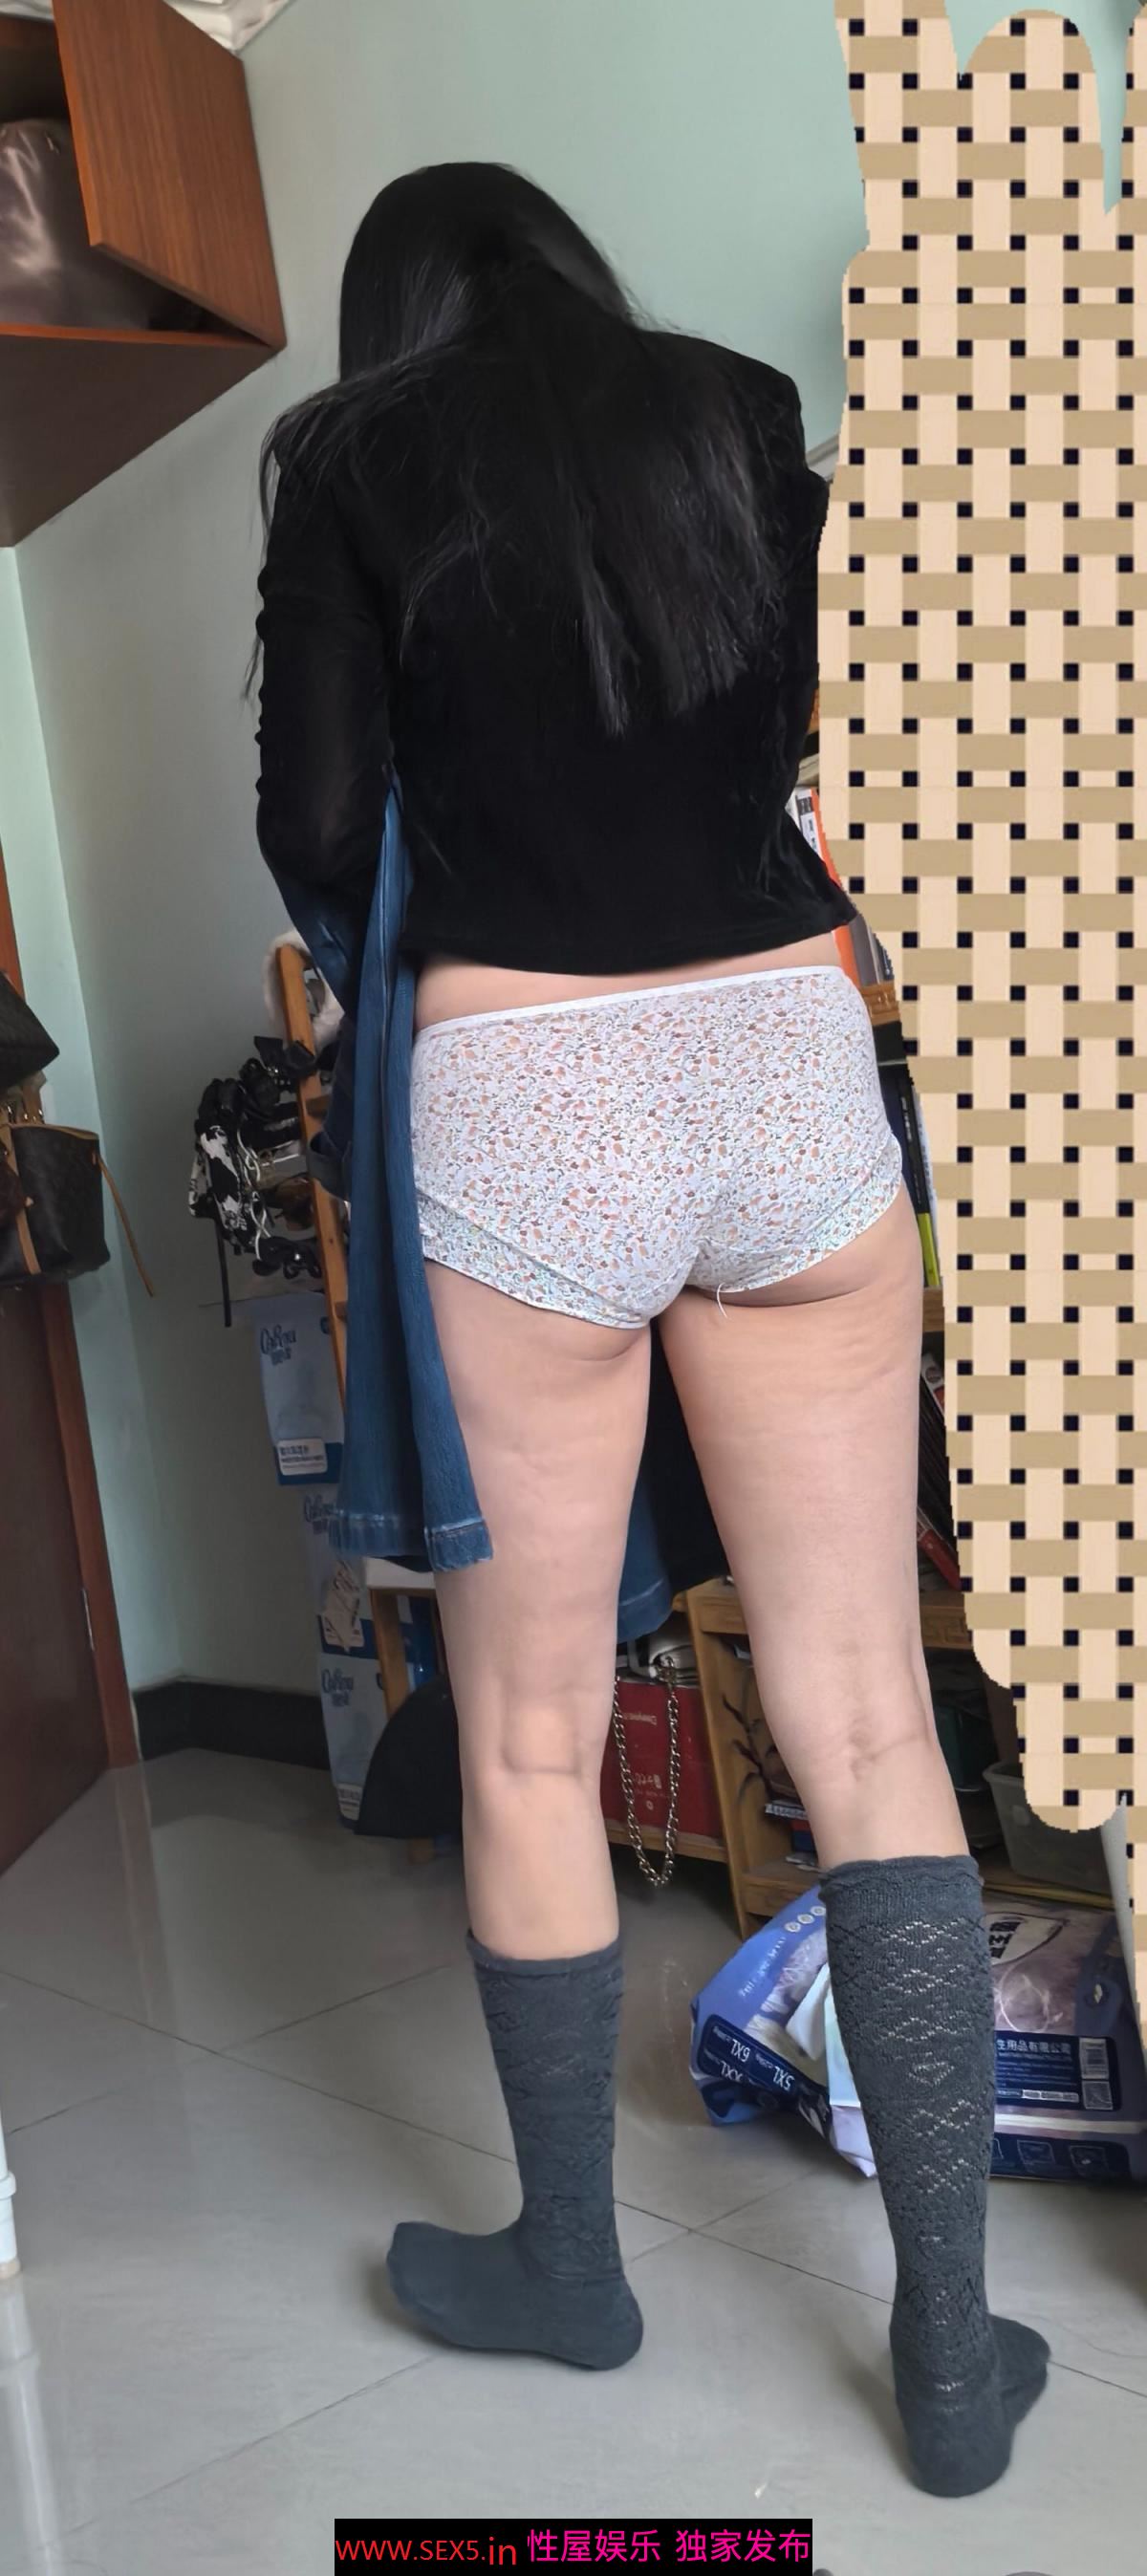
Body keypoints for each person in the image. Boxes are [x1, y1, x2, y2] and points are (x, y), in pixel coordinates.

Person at [253, 162, 1048, 2497]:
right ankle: (950, 2346)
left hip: (528, 1085)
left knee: (526, 1737)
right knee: (869, 1720)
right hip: (787, 1053)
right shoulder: (732, 410)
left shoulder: (351, 456)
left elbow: (318, 821)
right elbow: (838, 736)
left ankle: (570, 2270)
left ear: (396, 312)